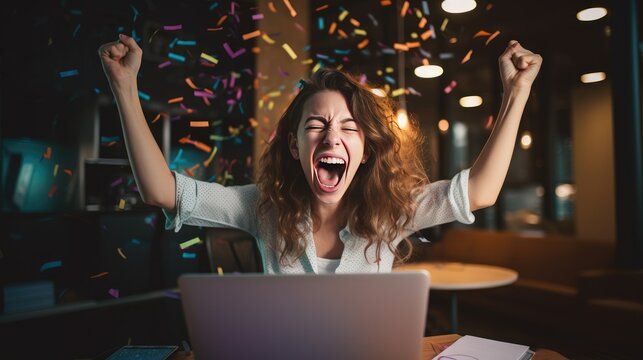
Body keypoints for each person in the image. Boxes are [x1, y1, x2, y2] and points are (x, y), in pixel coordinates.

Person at [99, 34, 542, 274]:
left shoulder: (393, 211)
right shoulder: (262, 207)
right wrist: (124, 87)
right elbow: (161, 191)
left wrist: (516, 93)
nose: (332, 138)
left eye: (350, 128)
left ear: (365, 151)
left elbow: (480, 192)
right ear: (294, 145)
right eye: (316, 125)